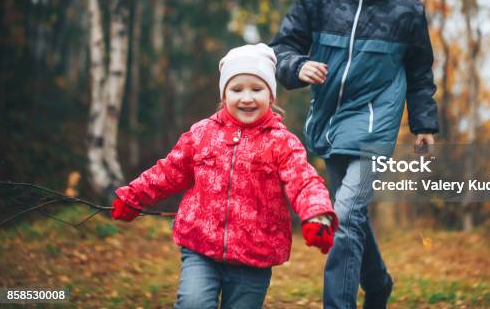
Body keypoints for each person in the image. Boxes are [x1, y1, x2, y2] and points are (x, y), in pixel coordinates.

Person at [269, 0, 439, 309]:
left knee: (341, 217)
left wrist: (424, 125)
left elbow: (419, 71)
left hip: (374, 127)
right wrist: (297, 66)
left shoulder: (406, 9)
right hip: (328, 123)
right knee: (351, 219)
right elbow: (281, 49)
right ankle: (378, 285)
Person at [111, 43, 338, 309]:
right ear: (224, 94)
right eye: (237, 89)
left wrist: (317, 215)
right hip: (200, 245)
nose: (247, 98)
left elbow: (303, 180)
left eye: (257, 89)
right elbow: (169, 171)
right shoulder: (201, 134)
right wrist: (134, 196)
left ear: (271, 96)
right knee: (193, 303)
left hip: (255, 254)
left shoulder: (281, 142)